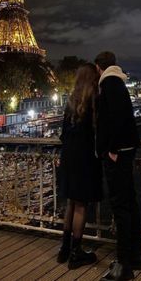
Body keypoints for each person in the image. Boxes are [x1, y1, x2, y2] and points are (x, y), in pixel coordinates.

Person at [95, 51, 141, 281]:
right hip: (126, 150)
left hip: (118, 154)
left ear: (99, 67)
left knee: (120, 208)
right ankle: (135, 256)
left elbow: (114, 119)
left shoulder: (109, 83)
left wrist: (112, 150)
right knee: (129, 205)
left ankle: (124, 265)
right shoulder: (117, 82)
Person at [57, 63, 102, 269]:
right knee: (81, 206)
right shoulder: (94, 99)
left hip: (68, 157)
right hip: (84, 157)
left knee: (70, 203)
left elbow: (63, 134)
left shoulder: (70, 101)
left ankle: (64, 249)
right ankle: (76, 253)